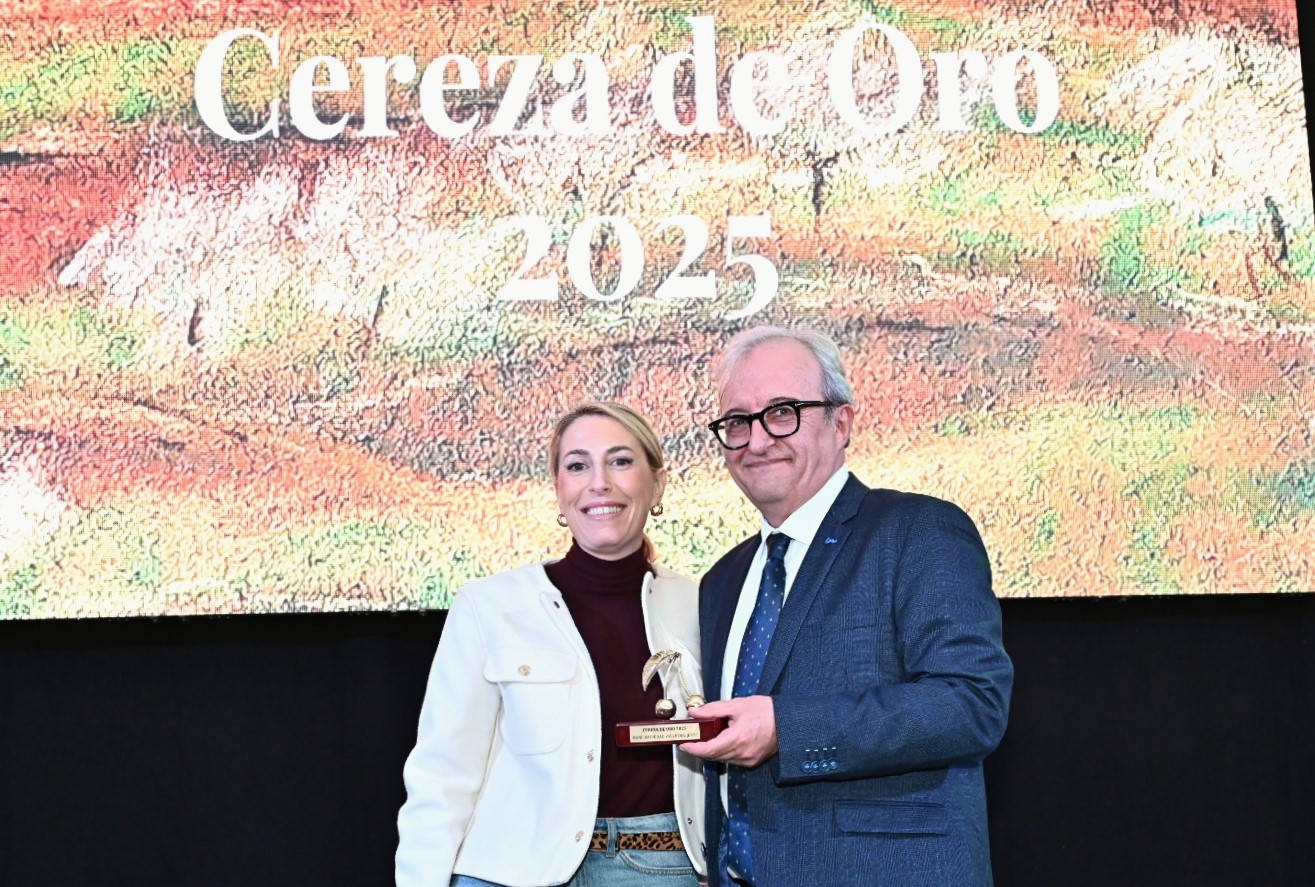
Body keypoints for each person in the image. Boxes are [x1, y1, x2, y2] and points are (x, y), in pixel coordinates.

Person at [681, 326, 1014, 887]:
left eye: (782, 412)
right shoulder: (722, 580)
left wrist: (787, 728)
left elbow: (971, 704)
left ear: (842, 423)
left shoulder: (919, 530)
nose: (756, 441)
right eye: (737, 422)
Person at [396, 402, 708, 887]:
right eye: (578, 466)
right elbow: (443, 772)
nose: (599, 482)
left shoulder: (703, 603)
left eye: (621, 461)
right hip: (509, 871)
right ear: (559, 489)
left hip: (662, 865)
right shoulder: (488, 606)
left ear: (657, 484)